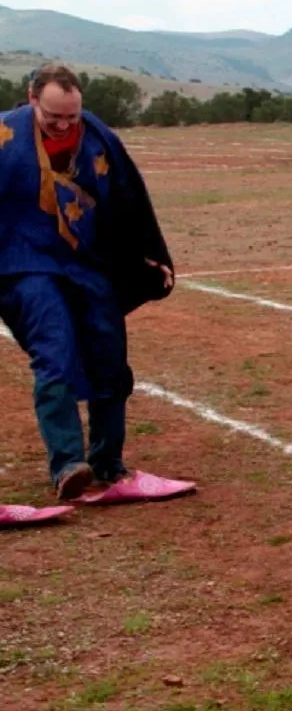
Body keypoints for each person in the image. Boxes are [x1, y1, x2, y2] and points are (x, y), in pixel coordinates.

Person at [0, 63, 184, 502]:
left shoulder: (98, 137)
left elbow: (128, 198)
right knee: (55, 353)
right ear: (32, 99)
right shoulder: (4, 140)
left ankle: (108, 463)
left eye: (72, 115)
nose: (64, 124)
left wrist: (150, 255)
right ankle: (68, 464)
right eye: (53, 116)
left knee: (109, 357)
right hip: (25, 263)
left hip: (87, 264)